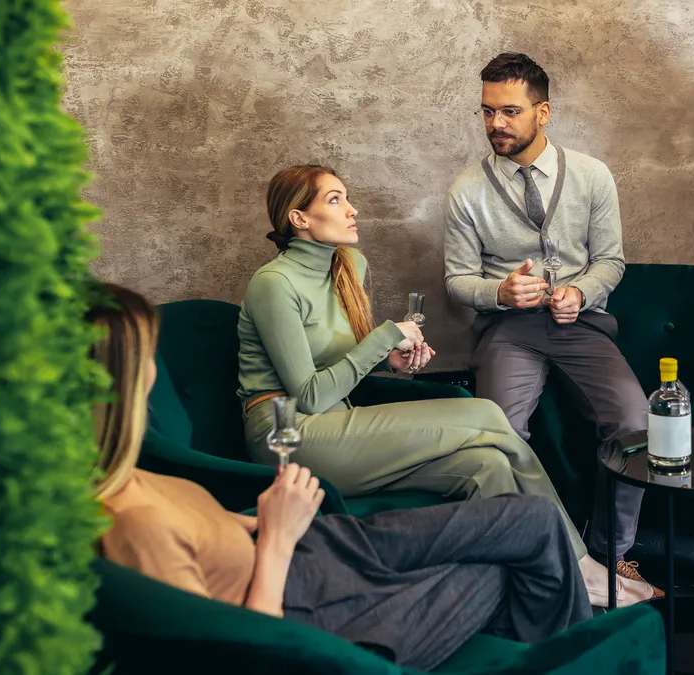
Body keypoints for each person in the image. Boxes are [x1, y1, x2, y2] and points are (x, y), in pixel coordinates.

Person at [90, 283, 593, 670]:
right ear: (126, 376)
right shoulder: (133, 523)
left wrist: (260, 523)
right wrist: (277, 539)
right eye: (148, 353)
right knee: (509, 567)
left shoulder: (140, 479)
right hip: (311, 602)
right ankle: (586, 646)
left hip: (323, 543)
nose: (157, 370)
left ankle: (575, 593)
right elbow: (241, 653)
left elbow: (205, 540)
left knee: (533, 520)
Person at [236, 165, 652, 606]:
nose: (352, 208)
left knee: (487, 464)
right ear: (299, 219)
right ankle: (580, 565)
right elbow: (310, 395)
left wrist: (389, 359)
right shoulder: (273, 284)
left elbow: (338, 365)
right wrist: (381, 339)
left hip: (340, 424)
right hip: (288, 434)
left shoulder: (349, 265)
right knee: (488, 414)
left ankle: (532, 589)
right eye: (335, 199)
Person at [443, 52, 657, 592]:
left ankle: (612, 555)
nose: (496, 124)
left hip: (581, 325)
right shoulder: (466, 191)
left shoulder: (592, 175)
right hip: (506, 330)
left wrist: (581, 292)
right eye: (487, 112)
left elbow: (612, 260)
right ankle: (524, 555)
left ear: (544, 112)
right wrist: (499, 292)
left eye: (510, 111)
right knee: (499, 432)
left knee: (636, 421)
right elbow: (456, 281)